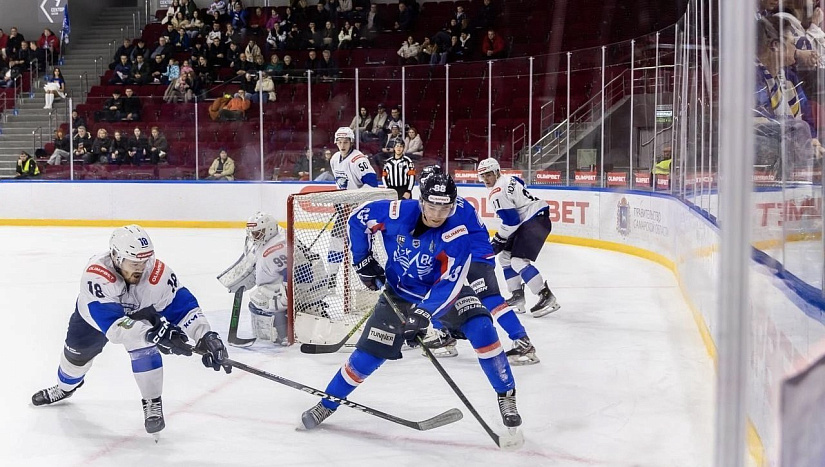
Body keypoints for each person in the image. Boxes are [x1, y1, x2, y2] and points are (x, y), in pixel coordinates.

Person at [300, 173, 523, 431]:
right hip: (399, 293)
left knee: (482, 329)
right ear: (421, 201)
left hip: (444, 295)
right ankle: (327, 404)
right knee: (367, 357)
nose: (438, 214)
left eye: (445, 207)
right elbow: (358, 217)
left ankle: (506, 396)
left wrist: (423, 313)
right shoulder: (396, 213)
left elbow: (450, 283)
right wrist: (362, 260)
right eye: (432, 206)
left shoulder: (457, 233)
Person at [31, 225, 231, 438]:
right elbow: (115, 328)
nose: (141, 267)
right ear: (116, 257)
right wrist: (154, 332)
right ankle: (65, 387)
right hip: (94, 321)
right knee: (73, 361)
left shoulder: (158, 274)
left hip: (139, 315)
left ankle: (152, 401)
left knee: (144, 346)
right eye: (134, 262)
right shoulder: (96, 274)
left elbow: (184, 309)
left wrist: (206, 335)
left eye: (144, 261)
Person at [419, 165, 540, 365]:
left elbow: (442, 239)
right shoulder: (450, 201)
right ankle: (444, 334)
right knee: (439, 291)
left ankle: (523, 343)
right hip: (469, 253)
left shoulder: (447, 207)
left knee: (491, 300)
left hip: (474, 256)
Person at [477, 158, 560, 317]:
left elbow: (511, 220)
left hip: (534, 221)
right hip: (533, 219)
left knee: (518, 261)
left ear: (496, 172)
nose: (486, 179)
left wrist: (499, 239)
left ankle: (545, 295)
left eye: (488, 175)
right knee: (505, 259)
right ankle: (517, 297)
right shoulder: (510, 178)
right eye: (483, 176)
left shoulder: (496, 193)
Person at [217, 213, 293, 345]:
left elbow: (290, 272)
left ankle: (284, 333)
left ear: (269, 229)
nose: (254, 237)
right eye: (252, 233)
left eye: (258, 233)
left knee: (263, 300)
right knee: (261, 298)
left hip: (299, 286)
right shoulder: (275, 234)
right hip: (286, 283)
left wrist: (286, 297)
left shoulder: (277, 248)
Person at [327, 126, 379, 288]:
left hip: (361, 211)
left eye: (346, 142)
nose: (342, 145)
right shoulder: (335, 159)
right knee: (335, 241)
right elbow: (340, 184)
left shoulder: (359, 160)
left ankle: (369, 279)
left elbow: (372, 184)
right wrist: (339, 201)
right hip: (346, 210)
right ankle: (331, 277)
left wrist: (354, 201)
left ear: (351, 142)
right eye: (340, 142)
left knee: (361, 247)